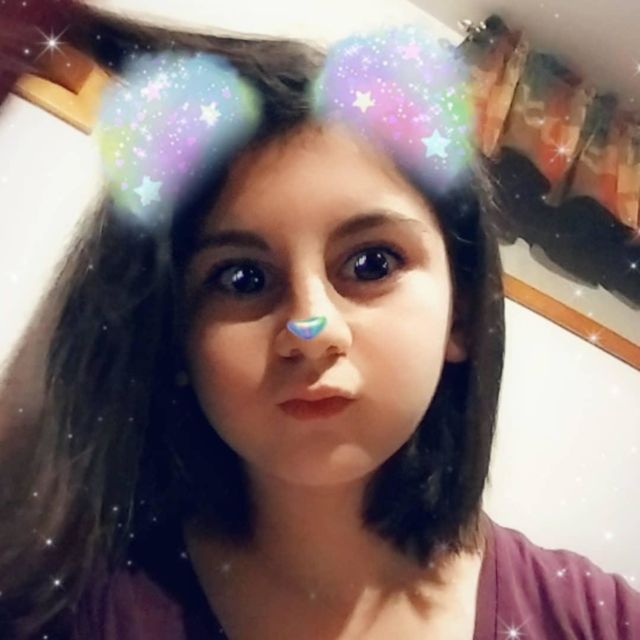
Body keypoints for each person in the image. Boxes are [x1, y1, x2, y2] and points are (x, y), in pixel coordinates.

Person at [0, 5, 638, 639]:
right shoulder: (75, 612)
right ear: (176, 338)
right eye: (242, 279)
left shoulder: (600, 619)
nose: (311, 329)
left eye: (371, 264)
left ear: (461, 318)